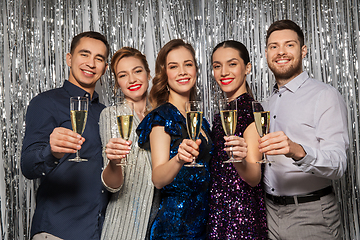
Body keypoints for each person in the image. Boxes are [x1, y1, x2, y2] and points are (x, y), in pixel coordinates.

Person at [259, 19, 349, 240]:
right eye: (274, 46)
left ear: (304, 50)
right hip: (268, 214)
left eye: (289, 45)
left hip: (312, 215)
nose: (281, 52)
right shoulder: (265, 104)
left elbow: (338, 164)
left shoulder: (325, 95)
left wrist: (296, 150)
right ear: (266, 53)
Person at [21, 31, 110, 240]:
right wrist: (51, 152)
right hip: (58, 231)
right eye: (84, 54)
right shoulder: (45, 103)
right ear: (69, 58)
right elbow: (27, 166)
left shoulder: (106, 113)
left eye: (99, 58)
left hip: (99, 231)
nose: (91, 63)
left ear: (105, 68)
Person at [137, 39, 212, 239]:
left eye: (188, 64)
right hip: (174, 227)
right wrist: (179, 159)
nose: (182, 71)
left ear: (196, 69)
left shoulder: (200, 121)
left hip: (204, 222)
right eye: (173, 66)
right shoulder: (162, 117)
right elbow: (158, 179)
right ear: (164, 73)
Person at [207, 40, 267, 239]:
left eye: (232, 64)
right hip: (218, 212)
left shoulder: (251, 110)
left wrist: (240, 160)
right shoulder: (222, 115)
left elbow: (254, 177)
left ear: (247, 68)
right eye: (217, 66)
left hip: (241, 216)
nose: (224, 72)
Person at [99, 47, 157, 240]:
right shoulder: (111, 115)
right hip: (125, 227)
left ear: (149, 74)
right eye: (123, 75)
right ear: (117, 83)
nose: (132, 79)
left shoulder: (162, 114)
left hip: (162, 223)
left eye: (137, 71)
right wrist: (114, 163)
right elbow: (112, 185)